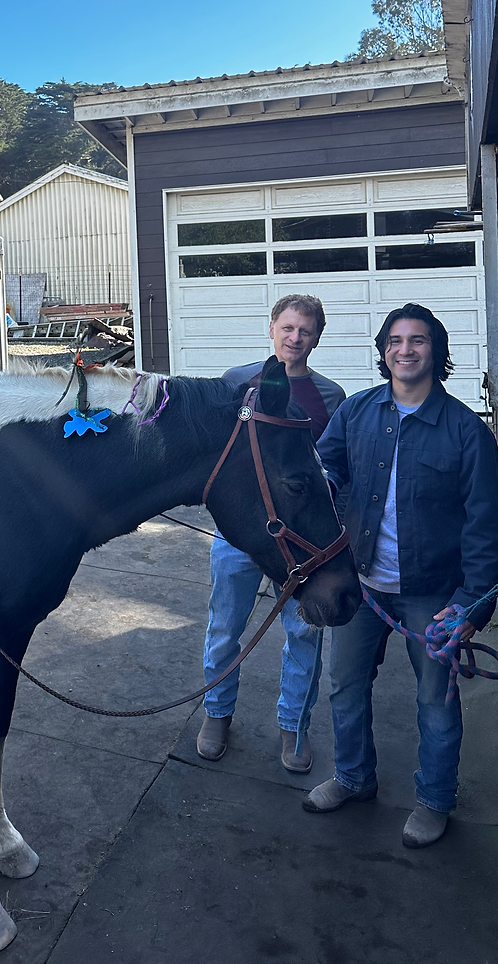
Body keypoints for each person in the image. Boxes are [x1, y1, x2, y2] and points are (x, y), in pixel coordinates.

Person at [305, 303, 498, 848]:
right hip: (362, 585)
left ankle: (435, 800)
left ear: (436, 352)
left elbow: (486, 530)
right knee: (345, 686)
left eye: (418, 340)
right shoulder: (357, 412)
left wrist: (471, 604)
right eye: (395, 340)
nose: (405, 349)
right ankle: (353, 777)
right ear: (384, 351)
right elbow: (324, 470)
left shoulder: (467, 432)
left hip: (434, 595)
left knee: (435, 703)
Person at [197, 293, 346, 771]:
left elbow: (329, 468)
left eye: (305, 331)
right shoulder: (237, 382)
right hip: (240, 535)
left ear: (317, 338)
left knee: (304, 634)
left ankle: (293, 727)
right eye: (287, 328)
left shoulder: (330, 396)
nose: (294, 338)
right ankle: (217, 713)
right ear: (271, 329)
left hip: (300, 542)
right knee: (225, 627)